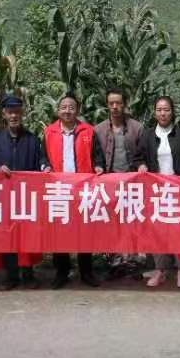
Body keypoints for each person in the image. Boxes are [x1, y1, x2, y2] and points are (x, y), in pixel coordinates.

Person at [0, 95, 50, 290]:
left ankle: (28, 274)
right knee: (7, 236)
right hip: (3, 197)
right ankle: (11, 276)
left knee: (27, 236)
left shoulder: (32, 139)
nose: (14, 116)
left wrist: (45, 167)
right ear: (4, 114)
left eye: (17, 112)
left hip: (26, 197)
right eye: (10, 112)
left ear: (22, 114)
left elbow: (41, 160)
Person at [133, 95, 180, 288]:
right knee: (157, 231)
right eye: (159, 110)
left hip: (178, 190)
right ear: (155, 113)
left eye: (166, 110)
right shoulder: (147, 135)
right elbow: (137, 157)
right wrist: (141, 165)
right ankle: (160, 270)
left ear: (172, 112)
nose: (163, 113)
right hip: (155, 191)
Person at [44, 93, 106, 289]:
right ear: (58, 110)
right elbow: (43, 156)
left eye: (71, 107)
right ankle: (62, 272)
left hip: (82, 188)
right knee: (59, 232)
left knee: (84, 231)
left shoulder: (88, 131)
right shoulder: (49, 132)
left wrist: (98, 166)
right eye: (63, 107)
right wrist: (45, 166)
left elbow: (98, 155)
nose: (67, 111)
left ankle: (86, 272)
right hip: (59, 189)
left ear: (77, 110)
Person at [94, 87, 146, 279]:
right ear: (107, 105)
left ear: (125, 105)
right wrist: (98, 167)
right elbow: (95, 156)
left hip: (132, 183)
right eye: (111, 103)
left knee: (131, 222)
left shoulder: (137, 128)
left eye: (118, 103)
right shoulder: (99, 130)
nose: (115, 107)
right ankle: (115, 262)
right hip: (108, 184)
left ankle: (131, 262)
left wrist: (141, 166)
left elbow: (142, 154)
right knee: (111, 223)